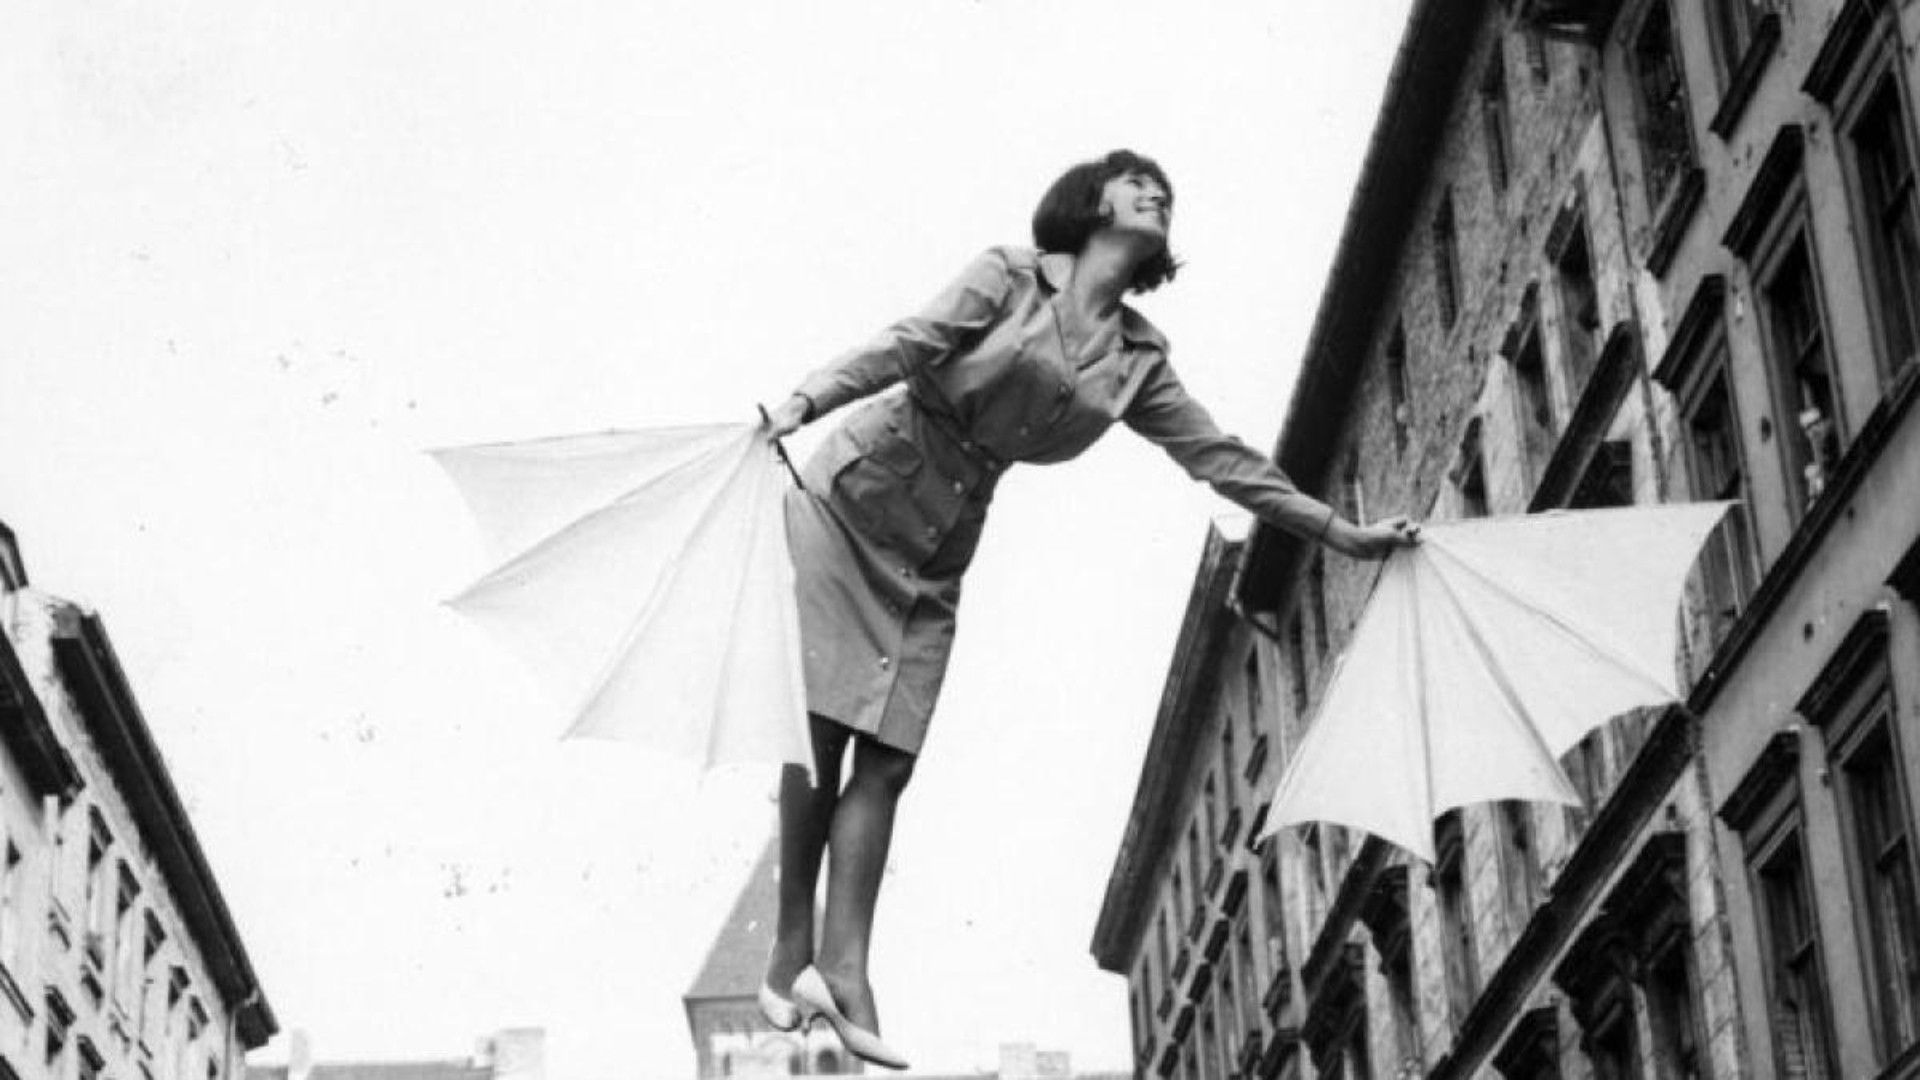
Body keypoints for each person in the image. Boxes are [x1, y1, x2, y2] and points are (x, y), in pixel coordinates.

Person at [756, 149, 1418, 1068]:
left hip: (942, 543)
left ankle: (845, 966)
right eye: (1136, 180)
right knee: (824, 727)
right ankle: (790, 944)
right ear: (1090, 202)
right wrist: (802, 401)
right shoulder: (1009, 276)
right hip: (857, 501)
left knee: (892, 759)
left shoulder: (1137, 360)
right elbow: (906, 343)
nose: (1155, 192)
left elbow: (1221, 459)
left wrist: (1339, 531)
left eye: (1165, 190)